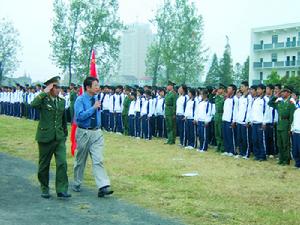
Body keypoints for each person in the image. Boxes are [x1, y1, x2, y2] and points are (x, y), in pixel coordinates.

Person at [31, 76, 70, 199]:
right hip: (45, 137)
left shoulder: (61, 101)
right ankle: (45, 187)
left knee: (62, 163)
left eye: (59, 87)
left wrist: (64, 134)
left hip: (59, 138)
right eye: (56, 87)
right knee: (44, 165)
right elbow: (33, 105)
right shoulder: (43, 100)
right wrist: (44, 93)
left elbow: (63, 120)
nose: (59, 89)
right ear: (50, 87)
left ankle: (61, 189)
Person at [73, 76, 113, 197]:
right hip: (84, 132)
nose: (98, 88)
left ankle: (103, 186)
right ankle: (77, 182)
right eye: (95, 85)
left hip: (97, 133)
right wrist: (93, 108)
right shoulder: (80, 100)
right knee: (80, 160)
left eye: (98, 85)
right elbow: (79, 117)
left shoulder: (97, 98)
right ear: (88, 87)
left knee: (98, 159)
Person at [268, 85, 296, 165]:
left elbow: (291, 117)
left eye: (284, 92)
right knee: (279, 144)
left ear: (288, 93)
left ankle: (286, 160)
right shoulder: (279, 102)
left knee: (285, 144)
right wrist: (275, 96)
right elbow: (270, 103)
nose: (282, 93)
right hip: (279, 124)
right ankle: (281, 159)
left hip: (286, 124)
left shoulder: (291, 103)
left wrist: (290, 128)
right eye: (282, 92)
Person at [222, 84, 238, 157]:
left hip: (230, 120)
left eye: (229, 88)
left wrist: (234, 121)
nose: (227, 90)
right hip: (225, 119)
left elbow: (235, 110)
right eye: (227, 88)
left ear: (233, 91)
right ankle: (227, 150)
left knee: (231, 136)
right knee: (225, 136)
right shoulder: (227, 99)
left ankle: (232, 150)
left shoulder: (235, 99)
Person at [212, 84, 226, 153]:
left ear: (223, 90)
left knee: (221, 133)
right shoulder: (217, 97)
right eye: (218, 89)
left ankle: (223, 147)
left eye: (220, 89)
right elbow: (211, 98)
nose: (218, 90)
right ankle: (218, 146)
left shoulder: (224, 97)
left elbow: (221, 107)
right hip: (216, 115)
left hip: (221, 115)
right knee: (216, 133)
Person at [165, 81, 177, 145]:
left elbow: (175, 104)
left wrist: (174, 113)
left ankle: (172, 140)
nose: (167, 87)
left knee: (172, 126)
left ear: (171, 86)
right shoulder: (167, 93)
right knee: (168, 126)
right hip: (167, 111)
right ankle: (169, 139)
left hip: (171, 111)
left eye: (168, 85)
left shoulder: (174, 94)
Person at [291, 96, 300, 169]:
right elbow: (293, 121)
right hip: (295, 132)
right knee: (295, 149)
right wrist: (292, 129)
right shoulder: (296, 110)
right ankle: (297, 163)